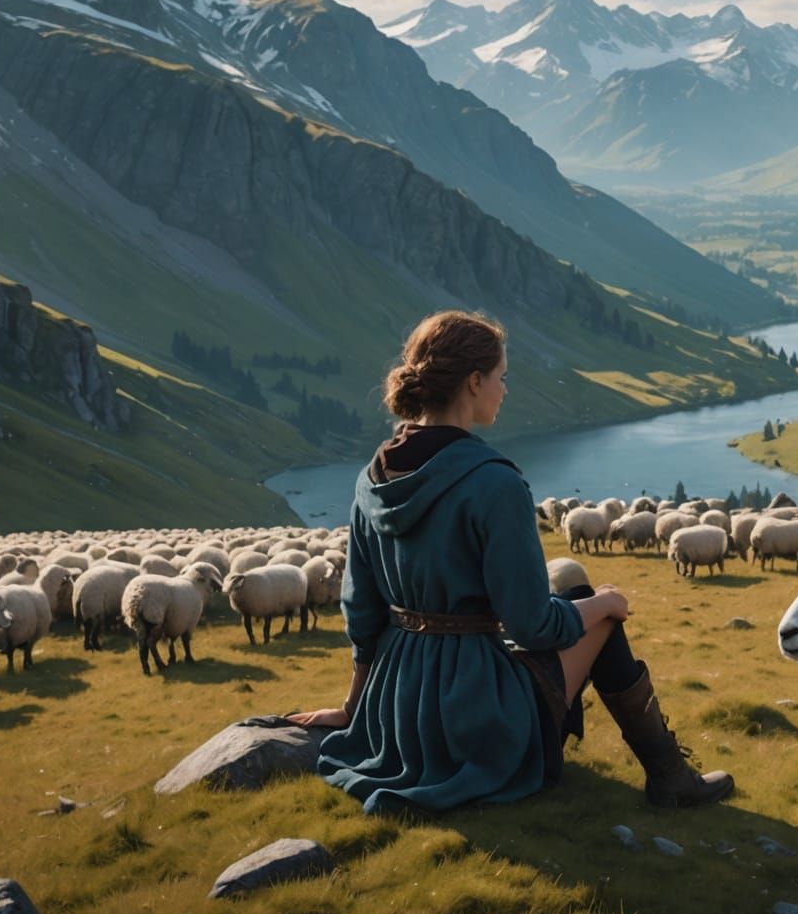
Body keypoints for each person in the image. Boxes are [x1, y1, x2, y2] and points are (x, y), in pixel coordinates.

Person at [287, 309, 733, 815]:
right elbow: (533, 623)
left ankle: (669, 774)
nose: (505, 389)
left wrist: (354, 709)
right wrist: (604, 602)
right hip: (473, 710)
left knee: (580, 605)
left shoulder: (372, 477)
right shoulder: (494, 482)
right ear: (474, 383)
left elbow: (362, 615)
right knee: (595, 608)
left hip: (395, 706)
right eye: (502, 378)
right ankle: (670, 776)